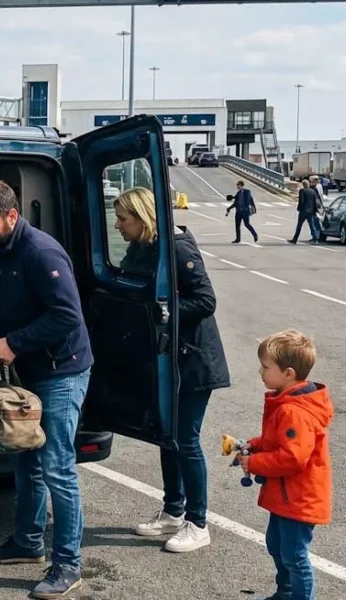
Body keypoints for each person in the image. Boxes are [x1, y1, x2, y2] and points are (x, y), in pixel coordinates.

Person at [0, 180, 92, 600]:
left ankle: (68, 564)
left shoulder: (41, 252)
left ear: (11, 216)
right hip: (27, 370)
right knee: (24, 457)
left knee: (56, 465)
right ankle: (28, 542)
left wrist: (13, 343)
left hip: (62, 370)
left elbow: (67, 317)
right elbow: (0, 309)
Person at [113, 188, 231, 553]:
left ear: (143, 217)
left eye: (123, 219)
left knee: (187, 441)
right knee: (169, 437)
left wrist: (162, 310)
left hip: (194, 361)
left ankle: (198, 522)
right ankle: (173, 510)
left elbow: (205, 300)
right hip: (170, 359)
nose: (117, 225)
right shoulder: (143, 246)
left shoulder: (178, 247)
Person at [241, 330, 333, 600]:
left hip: (298, 499)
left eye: (267, 367)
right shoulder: (287, 402)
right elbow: (278, 441)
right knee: (277, 545)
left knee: (294, 555)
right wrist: (255, 445)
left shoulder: (294, 410)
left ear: (289, 373)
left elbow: (292, 457)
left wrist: (253, 462)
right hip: (285, 496)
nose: (261, 372)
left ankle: (297, 595)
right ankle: (286, 592)